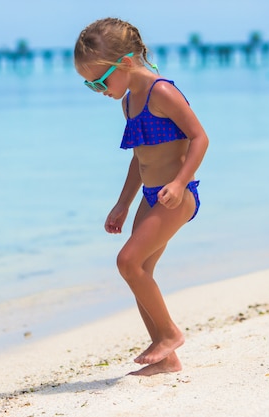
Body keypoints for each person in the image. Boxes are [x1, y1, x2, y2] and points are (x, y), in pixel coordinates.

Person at [74, 18, 209, 376]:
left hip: (176, 197)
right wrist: (123, 203)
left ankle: (169, 334)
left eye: (100, 82)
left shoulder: (161, 92)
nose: (98, 89)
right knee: (141, 271)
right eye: (90, 86)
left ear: (126, 63)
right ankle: (166, 360)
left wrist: (180, 183)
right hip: (151, 197)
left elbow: (200, 138)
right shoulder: (129, 101)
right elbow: (140, 156)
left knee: (127, 262)